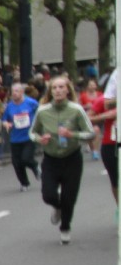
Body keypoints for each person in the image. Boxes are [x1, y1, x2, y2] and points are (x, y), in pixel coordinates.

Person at [29, 75, 95, 244]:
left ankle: (65, 227)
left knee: (69, 197)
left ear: (68, 90)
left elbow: (90, 133)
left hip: (72, 158)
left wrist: (71, 134)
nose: (58, 90)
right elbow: (32, 132)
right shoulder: (42, 111)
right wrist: (40, 139)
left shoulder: (76, 110)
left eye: (61, 87)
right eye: (54, 88)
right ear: (50, 91)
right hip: (51, 159)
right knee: (48, 195)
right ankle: (57, 206)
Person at [1, 81, 40, 191]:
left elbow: (41, 113)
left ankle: (35, 166)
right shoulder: (9, 106)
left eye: (17, 91)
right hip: (15, 138)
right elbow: (4, 119)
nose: (14, 93)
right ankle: (24, 183)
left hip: (29, 136)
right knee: (17, 163)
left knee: (26, 159)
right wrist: (6, 124)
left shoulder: (31, 103)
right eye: (13, 91)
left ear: (22, 92)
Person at [96, 72, 119, 204]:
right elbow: (107, 104)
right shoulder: (117, 74)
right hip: (112, 141)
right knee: (116, 181)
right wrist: (106, 115)